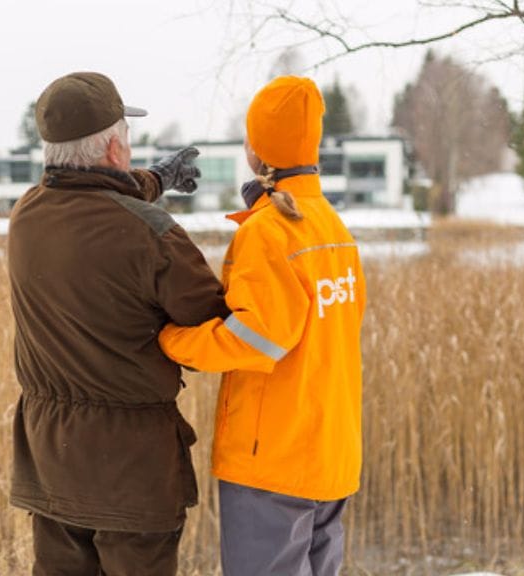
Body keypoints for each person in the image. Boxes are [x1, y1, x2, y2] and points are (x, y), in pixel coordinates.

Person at [8, 71, 229, 575]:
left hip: (52, 463)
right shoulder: (154, 235)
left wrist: (159, 178)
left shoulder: (26, 215)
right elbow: (213, 325)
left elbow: (91, 196)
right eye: (125, 138)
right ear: (114, 149)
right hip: (133, 472)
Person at [157, 76, 368, 576]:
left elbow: (257, 340)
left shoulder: (268, 231)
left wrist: (170, 340)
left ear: (256, 150)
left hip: (274, 457)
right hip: (330, 451)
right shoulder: (331, 225)